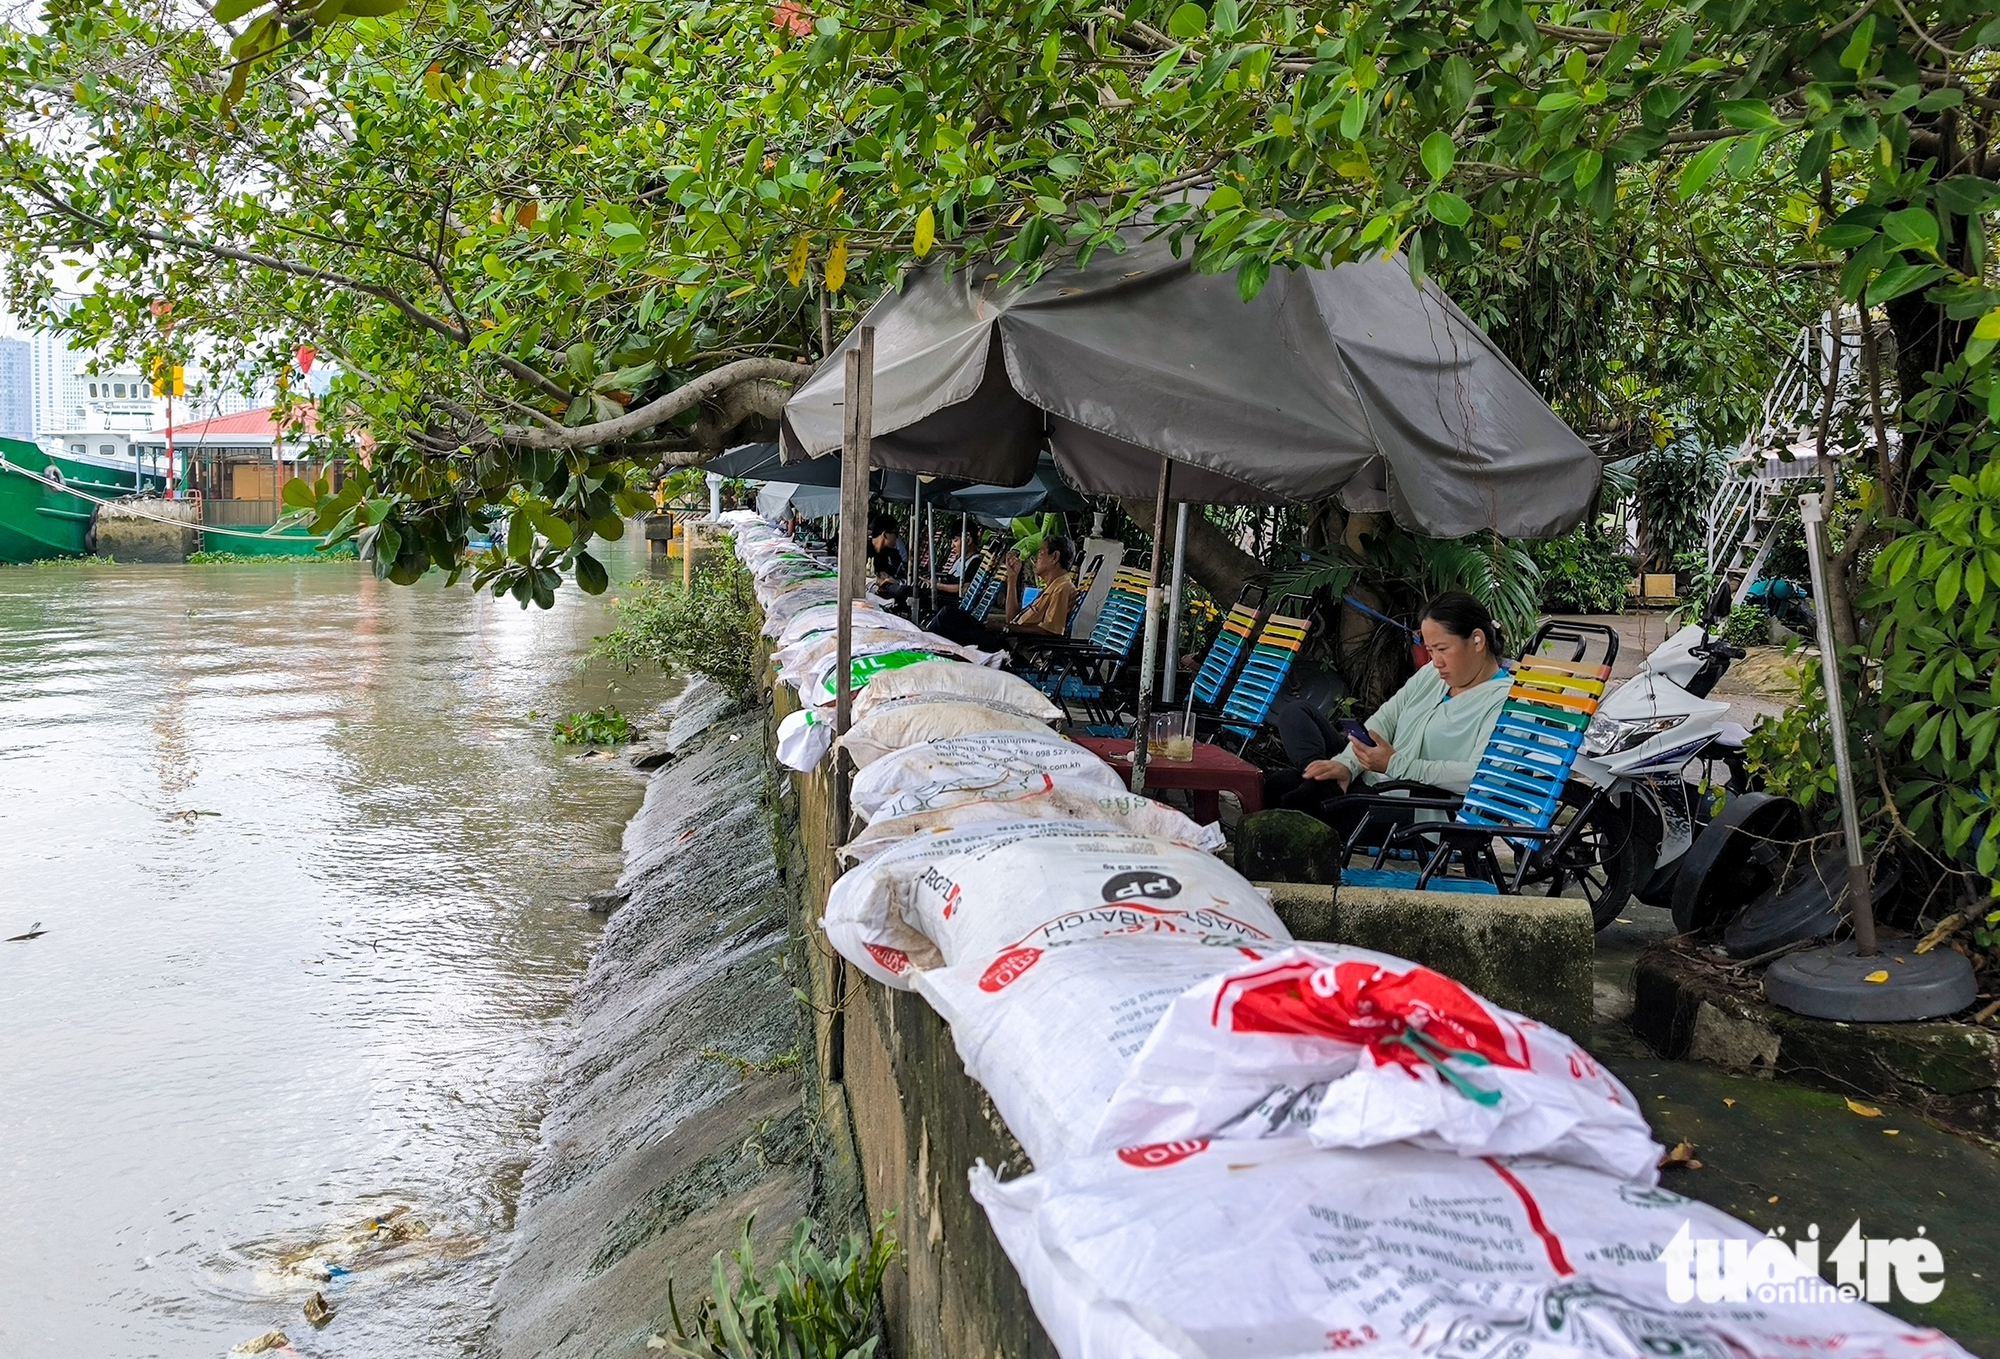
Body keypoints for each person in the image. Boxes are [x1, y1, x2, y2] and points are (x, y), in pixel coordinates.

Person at [1265, 593, 1513, 835]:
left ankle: (1319, 788)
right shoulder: (1432, 675)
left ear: (1478, 641)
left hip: (1419, 812)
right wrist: (1346, 765)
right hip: (1375, 778)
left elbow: (1480, 777)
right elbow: (1387, 717)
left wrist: (1396, 764)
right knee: (1295, 716)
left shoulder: (1503, 702)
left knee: (1290, 794)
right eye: (1430, 650)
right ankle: (1324, 781)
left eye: (1442, 649)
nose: (1436, 661)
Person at [928, 535, 1078, 650]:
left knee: (948, 617)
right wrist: (1012, 578)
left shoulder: (1062, 588)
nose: (1035, 559)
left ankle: (921, 649)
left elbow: (1051, 632)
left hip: (1016, 650)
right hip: (1008, 639)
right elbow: (1013, 617)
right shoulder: (1051, 587)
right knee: (953, 616)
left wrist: (1004, 628)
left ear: (1055, 557)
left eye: (1040, 554)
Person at [868, 515, 912, 607]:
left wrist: (894, 582)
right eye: (895, 534)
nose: (897, 539)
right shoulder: (862, 553)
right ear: (885, 535)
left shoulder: (894, 556)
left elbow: (906, 580)